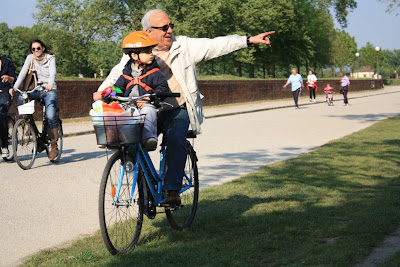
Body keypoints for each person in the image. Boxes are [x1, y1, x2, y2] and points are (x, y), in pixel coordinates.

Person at [94, 9, 274, 205]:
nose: (170, 30)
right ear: (148, 31)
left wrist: (248, 40)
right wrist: (101, 93)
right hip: (147, 109)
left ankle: (172, 189)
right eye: (164, 28)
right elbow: (116, 77)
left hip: (175, 107)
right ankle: (144, 187)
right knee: (129, 139)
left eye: (171, 26)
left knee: (175, 137)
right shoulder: (137, 52)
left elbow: (215, 45)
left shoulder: (184, 46)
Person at [103, 31, 170, 150]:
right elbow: (119, 88)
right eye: (147, 51)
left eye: (151, 51)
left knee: (149, 110)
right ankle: (113, 137)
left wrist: (150, 97)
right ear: (134, 56)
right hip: (128, 106)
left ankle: (149, 138)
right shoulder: (126, 74)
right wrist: (111, 93)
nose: (151, 54)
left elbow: (163, 88)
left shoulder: (155, 73)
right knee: (115, 112)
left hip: (145, 106)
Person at [14, 39, 59, 160]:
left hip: (49, 90)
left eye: (38, 48)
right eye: (33, 49)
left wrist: (50, 84)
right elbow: (23, 72)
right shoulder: (30, 58)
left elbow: (52, 73)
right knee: (21, 96)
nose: (35, 51)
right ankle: (26, 122)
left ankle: (54, 146)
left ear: (43, 48)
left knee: (50, 116)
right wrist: (15, 86)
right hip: (36, 90)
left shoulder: (50, 58)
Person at [0, 56, 16, 157]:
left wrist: (8, 78)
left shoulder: (6, 62)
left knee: (1, 114)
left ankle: (4, 145)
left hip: (4, 92)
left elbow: (13, 79)